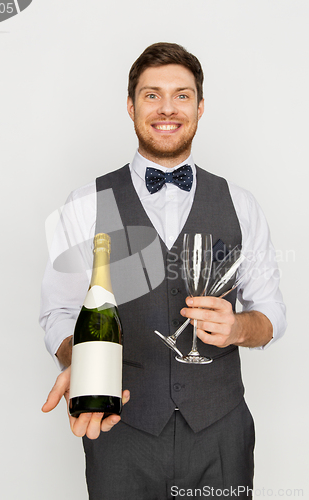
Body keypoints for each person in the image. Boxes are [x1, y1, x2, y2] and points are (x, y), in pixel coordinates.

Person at [40, 42, 287, 500]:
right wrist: (80, 362)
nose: (167, 108)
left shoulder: (240, 204)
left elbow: (270, 314)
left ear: (200, 106)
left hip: (220, 433)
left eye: (182, 95)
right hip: (122, 431)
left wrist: (237, 327)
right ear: (131, 106)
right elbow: (58, 311)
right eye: (152, 95)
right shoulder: (85, 203)